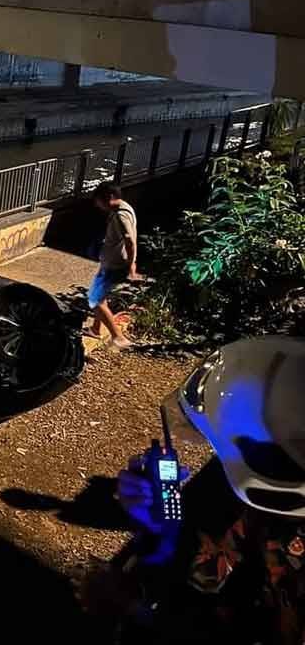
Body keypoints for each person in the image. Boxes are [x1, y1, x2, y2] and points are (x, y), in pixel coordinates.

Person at [84, 337, 305, 643]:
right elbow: (209, 573)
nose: (219, 463)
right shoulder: (274, 509)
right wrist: (159, 530)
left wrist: (137, 609)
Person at [87, 182, 137, 349]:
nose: (97, 205)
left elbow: (130, 241)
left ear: (109, 197)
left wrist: (131, 264)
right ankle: (95, 328)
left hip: (114, 264)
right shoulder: (125, 208)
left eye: (98, 201)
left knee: (95, 299)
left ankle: (118, 337)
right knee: (102, 296)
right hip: (111, 261)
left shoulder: (120, 215)